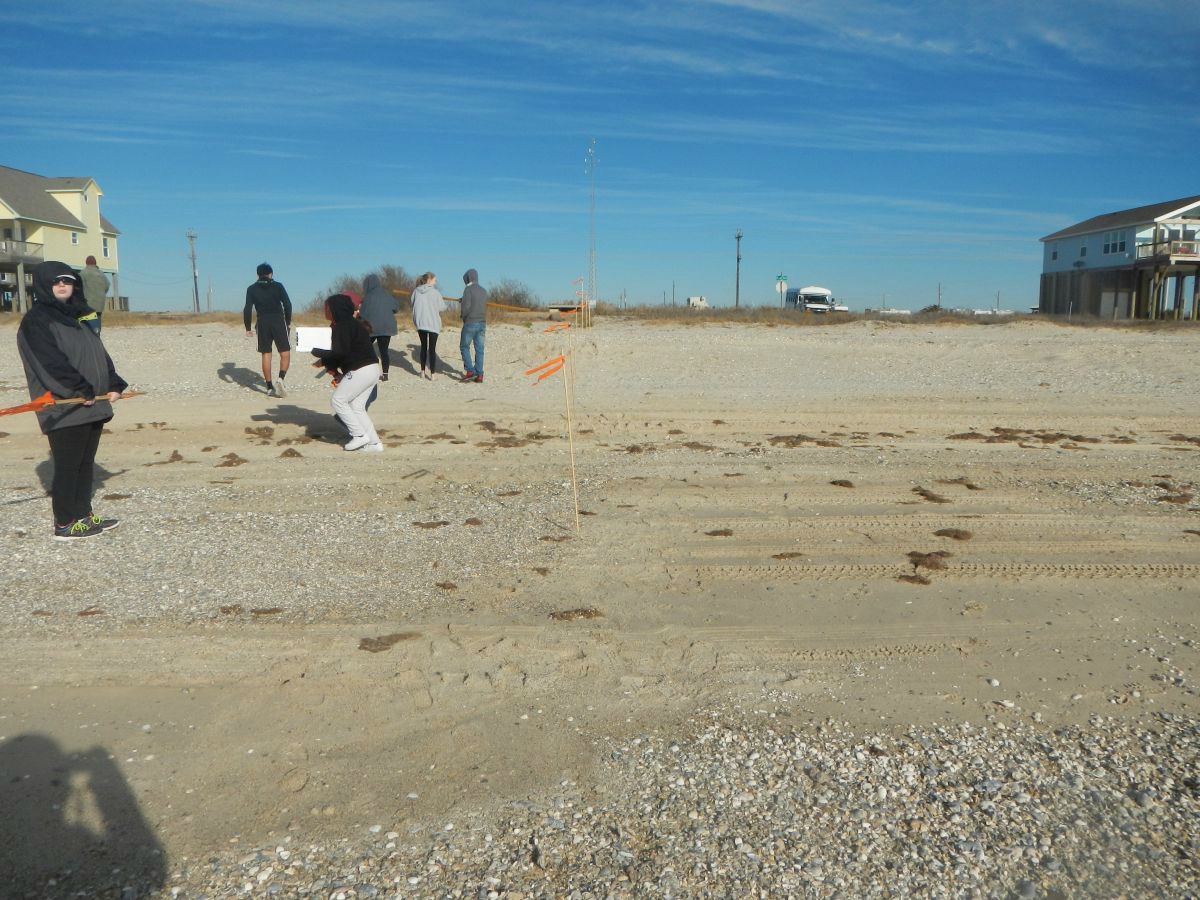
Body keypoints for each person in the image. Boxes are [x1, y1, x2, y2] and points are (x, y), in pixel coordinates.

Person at [16, 260, 128, 540]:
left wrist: (113, 382)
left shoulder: (78, 316)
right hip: (63, 406)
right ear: (44, 285)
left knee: (85, 463)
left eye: (67, 280)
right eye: (56, 281)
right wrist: (79, 390)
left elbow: (98, 354)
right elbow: (49, 364)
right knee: (68, 465)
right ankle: (64, 522)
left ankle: (82, 515)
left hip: (93, 403)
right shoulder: (37, 321)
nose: (63, 285)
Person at [310, 293, 383, 452]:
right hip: (372, 369)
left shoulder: (342, 325)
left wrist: (319, 354)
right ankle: (374, 444)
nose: (325, 310)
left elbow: (339, 352)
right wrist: (330, 366)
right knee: (357, 406)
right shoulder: (352, 323)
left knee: (338, 401)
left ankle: (359, 436)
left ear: (335, 309)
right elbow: (343, 352)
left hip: (361, 370)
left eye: (327, 307)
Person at [243, 262, 292, 397]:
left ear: (257, 274)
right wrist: (287, 322)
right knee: (285, 352)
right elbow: (288, 304)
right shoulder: (278, 286)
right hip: (278, 320)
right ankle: (281, 379)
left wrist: (247, 327)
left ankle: (269, 387)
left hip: (262, 321)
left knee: (266, 354)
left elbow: (247, 308)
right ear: (271, 274)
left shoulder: (251, 289)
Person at [358, 274, 399, 381]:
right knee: (384, 352)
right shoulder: (387, 295)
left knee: (366, 350)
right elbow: (396, 308)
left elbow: (362, 314)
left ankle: (369, 372)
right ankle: (385, 375)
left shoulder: (367, 298)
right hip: (387, 327)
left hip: (372, 328)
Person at [411, 272, 448, 380]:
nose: (435, 282)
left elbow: (412, 302)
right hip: (432, 324)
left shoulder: (416, 291)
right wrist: (442, 302)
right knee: (432, 349)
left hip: (421, 323)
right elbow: (442, 308)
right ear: (429, 280)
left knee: (423, 347)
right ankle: (433, 374)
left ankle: (422, 372)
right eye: (435, 280)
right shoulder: (435, 293)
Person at [459, 268, 487, 383]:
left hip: (471, 322)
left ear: (468, 278)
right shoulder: (483, 290)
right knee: (479, 349)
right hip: (482, 323)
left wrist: (463, 317)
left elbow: (466, 307)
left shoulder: (468, 290)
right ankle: (479, 374)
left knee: (464, 346)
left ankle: (470, 371)